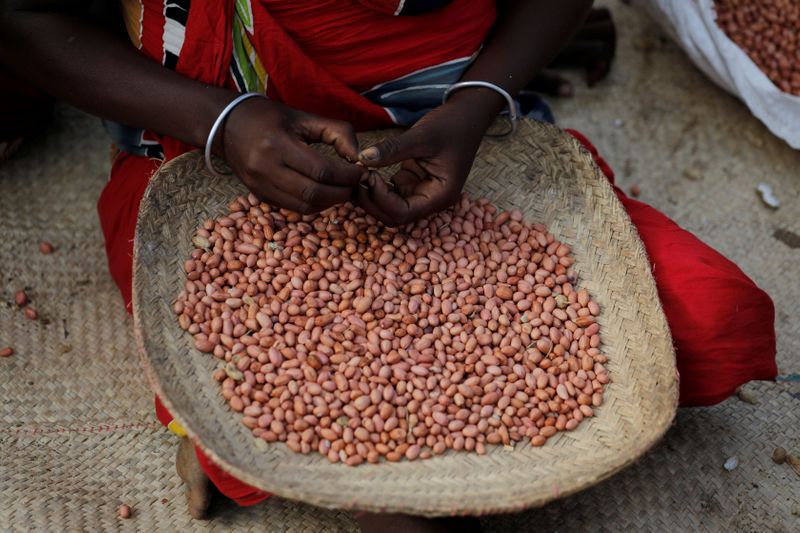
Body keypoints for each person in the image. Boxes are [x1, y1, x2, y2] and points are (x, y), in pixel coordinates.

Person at [0, 1, 776, 530]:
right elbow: (24, 21)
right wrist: (224, 122)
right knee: (272, 403)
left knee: (708, 322)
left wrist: (475, 101)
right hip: (218, 152)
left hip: (448, 130)